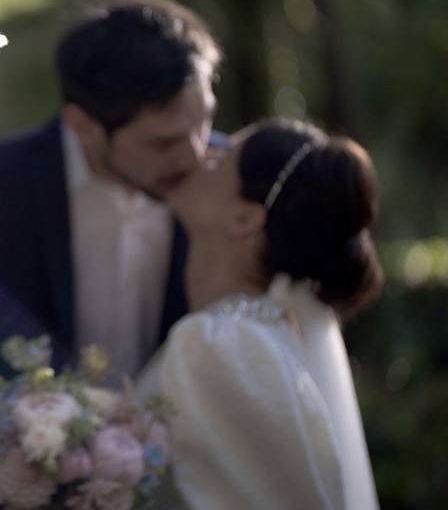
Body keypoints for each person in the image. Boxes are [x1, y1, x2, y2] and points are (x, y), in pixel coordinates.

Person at [0, 0, 223, 377]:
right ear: (83, 126)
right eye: (162, 143)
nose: (196, 156)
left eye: (204, 123)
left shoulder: (236, 180)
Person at [136, 117, 382, 509]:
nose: (203, 155)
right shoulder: (252, 337)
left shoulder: (221, 344)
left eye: (223, 156)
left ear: (245, 219)